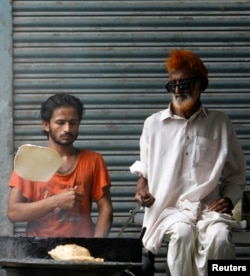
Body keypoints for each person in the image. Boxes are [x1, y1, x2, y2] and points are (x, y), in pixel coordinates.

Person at [130, 49, 246, 276]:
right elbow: (145, 166)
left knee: (221, 237)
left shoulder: (220, 123)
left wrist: (229, 200)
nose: (177, 90)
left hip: (207, 208)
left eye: (184, 83)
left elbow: (237, 174)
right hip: (167, 207)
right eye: (172, 84)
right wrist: (141, 187)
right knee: (182, 235)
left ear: (202, 84)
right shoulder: (153, 124)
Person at [7, 93, 113, 238]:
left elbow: (106, 208)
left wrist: (97, 247)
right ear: (46, 125)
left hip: (81, 251)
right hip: (37, 251)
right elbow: (13, 213)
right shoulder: (29, 161)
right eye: (60, 122)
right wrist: (56, 201)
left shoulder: (94, 160)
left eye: (73, 123)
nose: (67, 129)